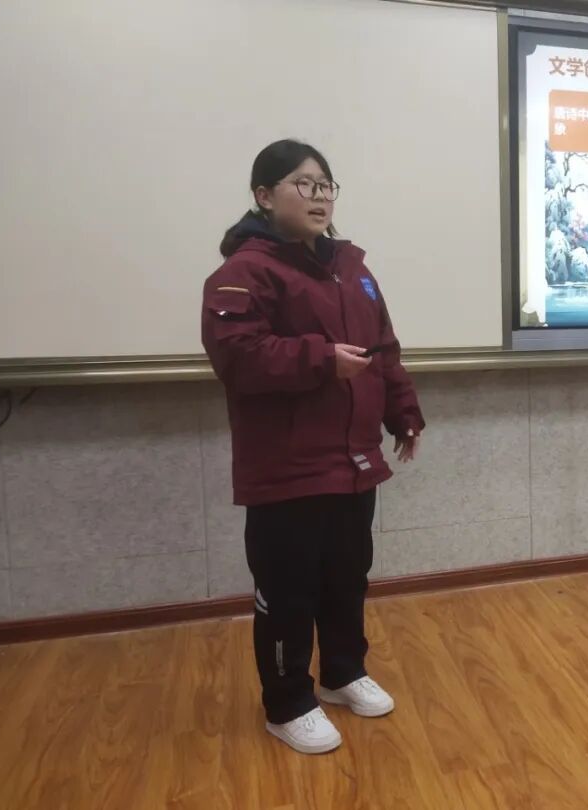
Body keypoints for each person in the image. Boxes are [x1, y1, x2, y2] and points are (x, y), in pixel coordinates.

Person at [201, 139, 425, 755]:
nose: (320, 197)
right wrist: (321, 359)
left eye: (326, 185)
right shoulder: (242, 273)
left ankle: (343, 672)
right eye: (304, 184)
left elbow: (384, 349)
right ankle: (287, 703)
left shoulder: (352, 268)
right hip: (286, 467)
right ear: (263, 195)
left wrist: (404, 413)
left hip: (353, 460)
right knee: (288, 590)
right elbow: (238, 358)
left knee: (347, 577)